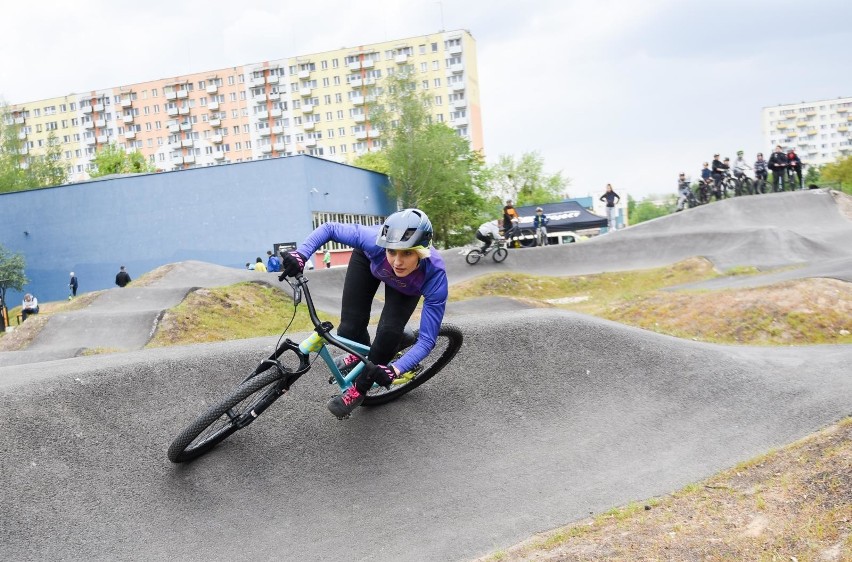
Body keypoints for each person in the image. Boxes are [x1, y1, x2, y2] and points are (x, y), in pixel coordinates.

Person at [278, 208, 448, 419]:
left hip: (406, 289)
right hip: (368, 263)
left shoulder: (435, 275)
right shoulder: (372, 241)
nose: (397, 261)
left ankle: (359, 391)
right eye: (392, 251)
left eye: (407, 253)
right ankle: (363, 355)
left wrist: (395, 370)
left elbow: (426, 341)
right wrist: (301, 254)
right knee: (349, 329)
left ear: (421, 252)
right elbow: (329, 228)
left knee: (387, 336)